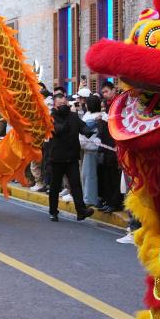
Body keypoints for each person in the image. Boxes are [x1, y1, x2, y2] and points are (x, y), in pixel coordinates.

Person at [46, 94, 93, 222]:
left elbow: (82, 126)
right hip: (57, 158)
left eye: (64, 103)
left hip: (72, 157)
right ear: (55, 105)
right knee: (55, 186)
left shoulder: (73, 116)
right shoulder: (51, 118)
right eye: (60, 104)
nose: (63, 106)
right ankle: (53, 211)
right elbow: (60, 130)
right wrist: (67, 116)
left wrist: (88, 131)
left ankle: (81, 211)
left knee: (76, 184)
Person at [98, 82, 123, 212]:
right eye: (103, 92)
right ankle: (108, 201)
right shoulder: (106, 105)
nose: (105, 94)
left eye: (107, 91)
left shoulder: (119, 104)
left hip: (115, 145)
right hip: (106, 145)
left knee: (114, 176)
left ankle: (115, 203)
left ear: (114, 90)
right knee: (107, 175)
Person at [79, 95, 103, 210]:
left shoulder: (95, 116)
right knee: (89, 174)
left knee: (89, 175)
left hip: (91, 149)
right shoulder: (99, 115)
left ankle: (89, 199)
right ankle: (90, 197)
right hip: (92, 148)